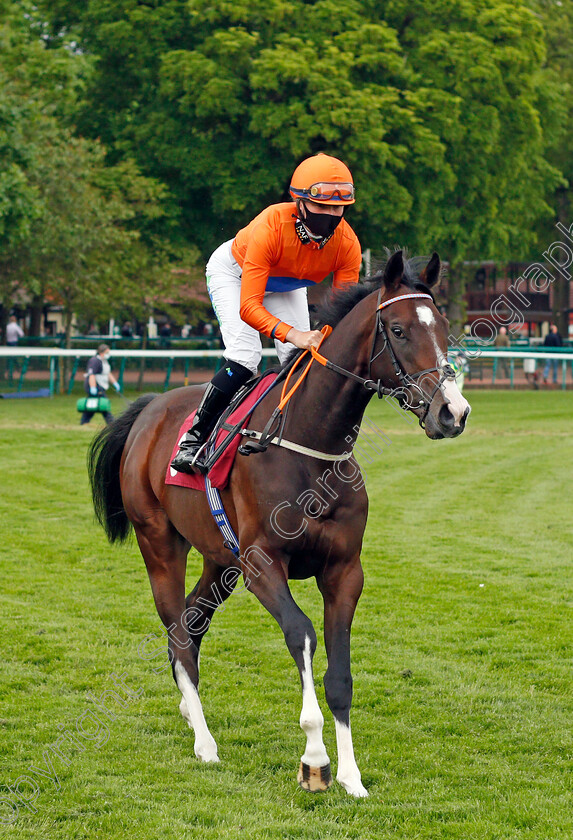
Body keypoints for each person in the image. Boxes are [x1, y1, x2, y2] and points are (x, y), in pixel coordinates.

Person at [171, 152, 362, 474]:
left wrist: (319, 339)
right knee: (246, 357)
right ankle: (193, 439)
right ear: (299, 202)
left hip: (286, 286)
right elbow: (249, 307)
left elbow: (340, 315)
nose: (331, 215)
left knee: (300, 361)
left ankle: (294, 437)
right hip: (235, 274)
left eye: (338, 208)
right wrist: (297, 334)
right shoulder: (271, 226)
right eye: (322, 206)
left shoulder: (348, 244)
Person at [80, 344, 121, 425]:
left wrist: (115, 383)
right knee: (103, 404)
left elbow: (108, 374)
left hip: (101, 386)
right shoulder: (94, 361)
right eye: (107, 352)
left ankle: (84, 422)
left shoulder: (104, 361)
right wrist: (93, 387)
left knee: (93, 404)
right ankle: (111, 423)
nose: (108, 354)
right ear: (102, 352)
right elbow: (92, 375)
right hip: (96, 386)